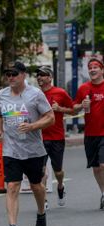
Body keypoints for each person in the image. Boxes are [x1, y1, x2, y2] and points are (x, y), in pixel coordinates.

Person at [0, 61, 55, 226]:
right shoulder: (1, 95)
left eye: (14, 73)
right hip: (11, 149)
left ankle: (41, 213)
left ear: (23, 75)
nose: (10, 77)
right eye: (7, 74)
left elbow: (50, 118)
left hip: (34, 150)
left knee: (37, 186)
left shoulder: (35, 94)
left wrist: (32, 126)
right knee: (12, 186)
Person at [36, 66, 74, 209]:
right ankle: (44, 199)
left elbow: (72, 110)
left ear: (50, 78)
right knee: (42, 170)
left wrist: (60, 109)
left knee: (58, 171)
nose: (40, 77)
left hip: (57, 137)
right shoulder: (34, 94)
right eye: (38, 75)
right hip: (40, 138)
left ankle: (60, 186)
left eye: (43, 75)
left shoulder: (60, 93)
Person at [73, 57, 104, 209]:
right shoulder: (83, 88)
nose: (92, 69)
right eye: (90, 67)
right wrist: (81, 105)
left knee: (103, 165)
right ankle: (103, 193)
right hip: (90, 134)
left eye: (95, 67)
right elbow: (74, 108)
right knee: (96, 168)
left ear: (102, 70)